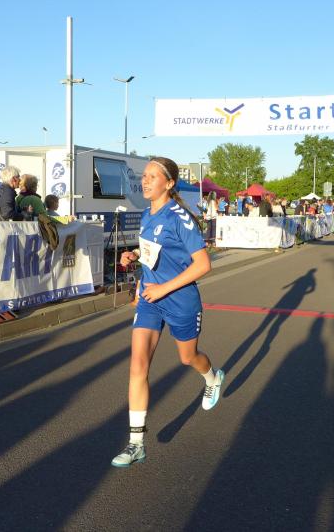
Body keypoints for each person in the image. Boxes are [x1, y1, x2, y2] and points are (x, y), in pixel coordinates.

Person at [112, 156, 224, 468]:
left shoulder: (179, 217)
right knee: (137, 366)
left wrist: (163, 288)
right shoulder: (147, 214)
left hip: (180, 300)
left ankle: (212, 378)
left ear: (169, 183)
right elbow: (153, 251)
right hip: (150, 299)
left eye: (152, 176)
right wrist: (134, 255)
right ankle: (136, 443)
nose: (145, 181)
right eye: (144, 176)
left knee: (188, 358)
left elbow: (203, 265)